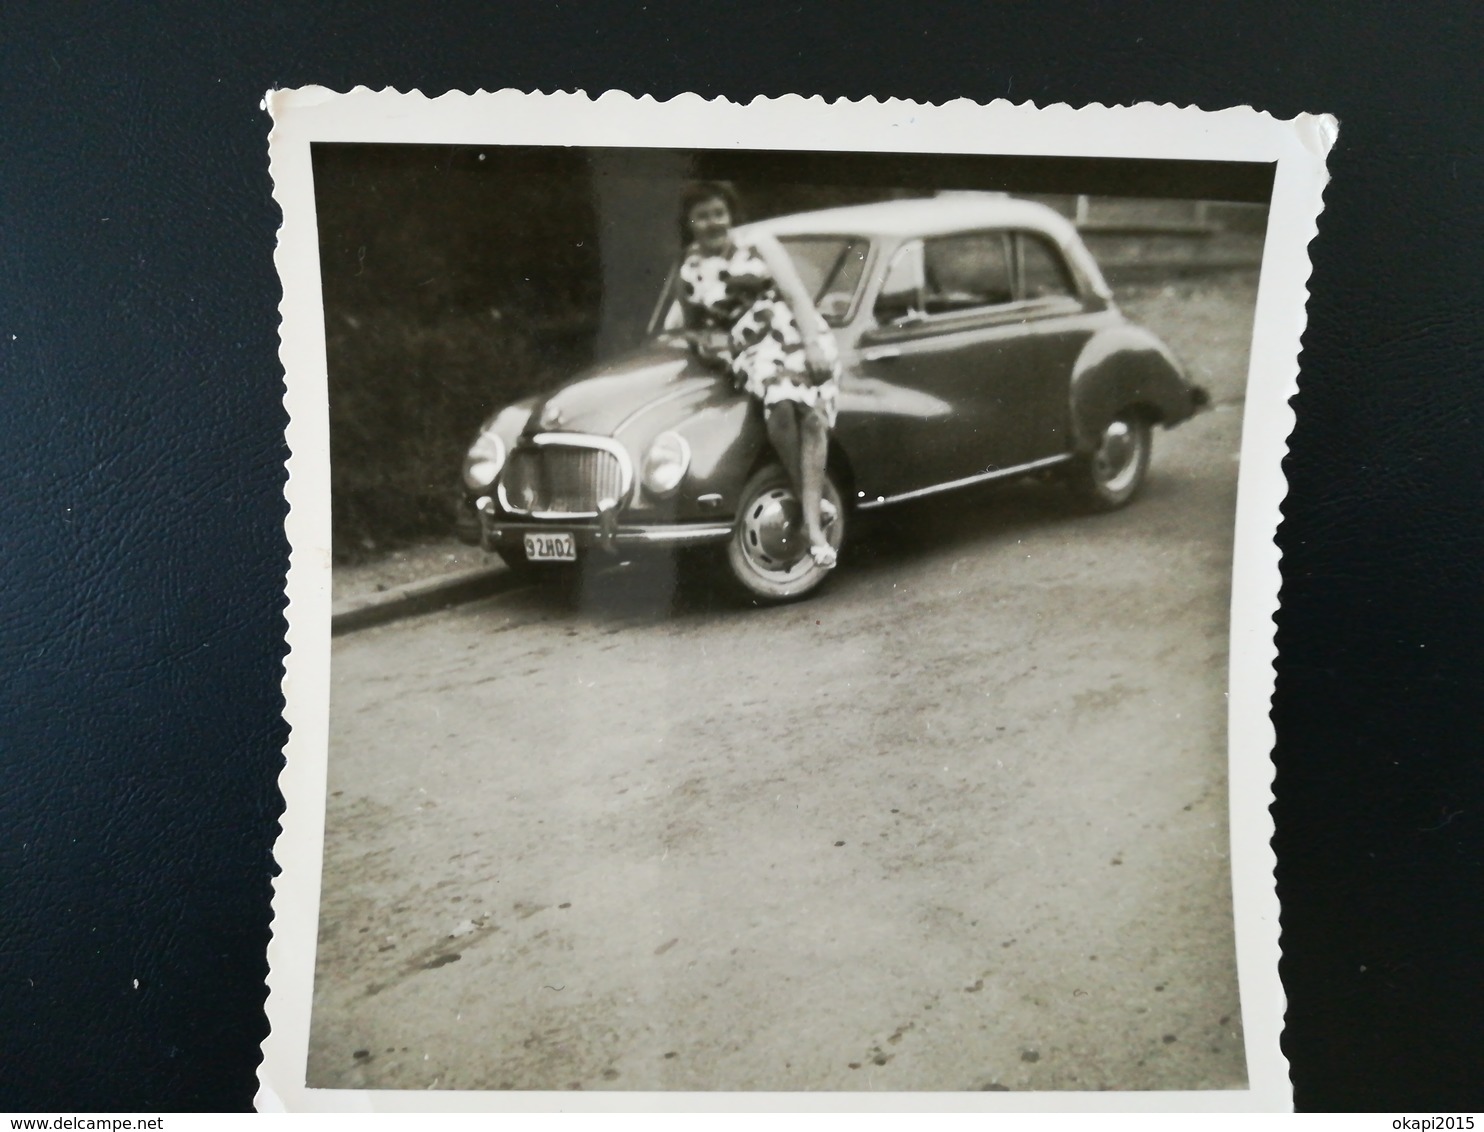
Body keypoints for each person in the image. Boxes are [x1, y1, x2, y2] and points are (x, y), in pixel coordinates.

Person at [673, 181, 841, 568]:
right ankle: (814, 521)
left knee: (813, 417)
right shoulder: (688, 267)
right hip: (751, 347)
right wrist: (709, 346)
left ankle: (812, 523)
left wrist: (814, 345)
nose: (712, 222)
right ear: (689, 222)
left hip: (795, 332)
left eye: (719, 213)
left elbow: (796, 295)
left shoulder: (759, 242)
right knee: (780, 406)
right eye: (702, 216)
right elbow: (693, 325)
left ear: (730, 214)